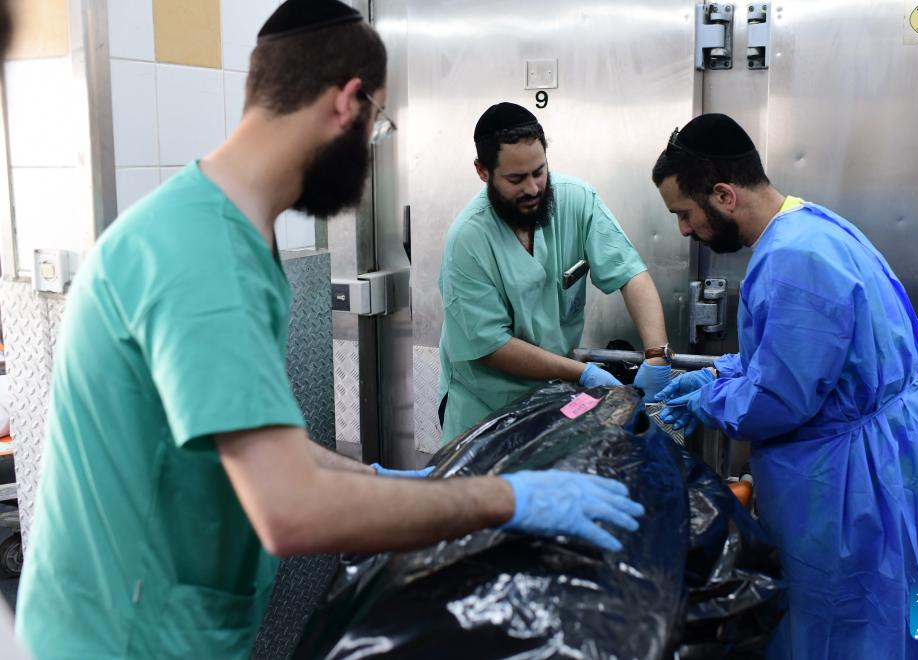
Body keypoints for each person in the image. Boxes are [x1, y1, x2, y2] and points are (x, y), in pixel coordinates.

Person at [13, 2, 645, 657]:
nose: (371, 149)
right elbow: (288, 508)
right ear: (348, 103)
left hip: (174, 626)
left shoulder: (230, 234)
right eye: (379, 125)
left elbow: (265, 449)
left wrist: (396, 482)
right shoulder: (202, 253)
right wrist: (500, 499)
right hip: (121, 639)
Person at [652, 114, 918, 659]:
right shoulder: (814, 225)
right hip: (910, 457)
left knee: (850, 618)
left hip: (857, 481)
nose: (683, 229)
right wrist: (718, 372)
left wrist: (710, 400)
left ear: (724, 195)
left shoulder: (791, 259)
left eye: (684, 213)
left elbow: (780, 399)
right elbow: (802, 354)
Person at [438, 102, 672, 444]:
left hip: (554, 400)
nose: (533, 188)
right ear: (483, 172)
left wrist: (656, 355)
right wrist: (584, 372)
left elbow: (630, 274)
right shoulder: (468, 239)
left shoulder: (577, 201)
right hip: (485, 409)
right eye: (516, 179)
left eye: (539, 171)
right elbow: (491, 345)